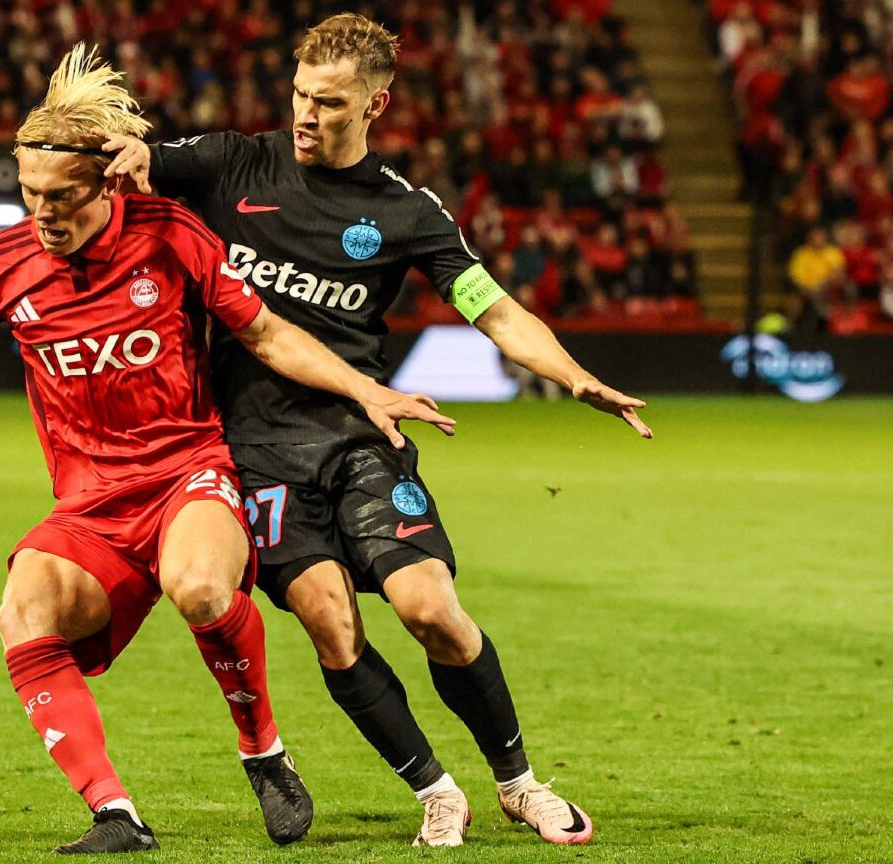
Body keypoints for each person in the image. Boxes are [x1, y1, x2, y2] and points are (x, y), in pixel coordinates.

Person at [0, 44, 456, 855]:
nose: (44, 214)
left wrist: (363, 388)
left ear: (106, 185)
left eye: (61, 198)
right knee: (22, 613)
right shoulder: (4, 263)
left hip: (188, 473)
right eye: (29, 196)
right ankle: (114, 813)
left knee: (200, 587)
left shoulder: (171, 236)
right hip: (89, 503)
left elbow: (264, 333)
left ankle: (262, 749)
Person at [101, 12, 652, 848]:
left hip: (362, 435)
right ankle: (435, 790)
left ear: (376, 104)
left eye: (327, 102)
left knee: (429, 608)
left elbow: (491, 307)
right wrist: (136, 154)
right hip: (253, 454)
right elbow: (143, 161)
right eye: (298, 95)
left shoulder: (404, 212)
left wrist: (571, 373)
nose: (306, 115)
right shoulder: (233, 163)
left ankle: (519, 782)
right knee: (328, 616)